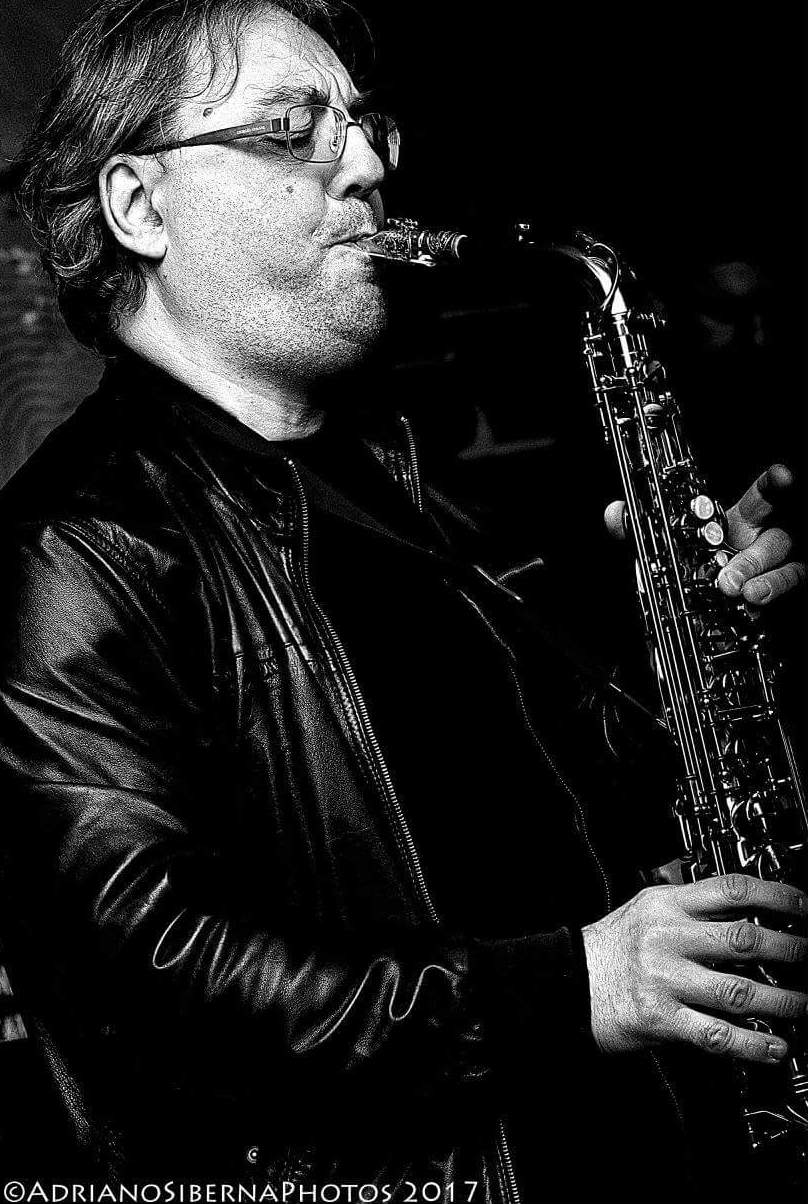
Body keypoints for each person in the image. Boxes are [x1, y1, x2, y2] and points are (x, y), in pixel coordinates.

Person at [0, 1, 805, 1199]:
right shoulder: (70, 546)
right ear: (139, 205)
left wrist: (687, 640)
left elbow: (521, 831)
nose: (367, 166)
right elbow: (150, 982)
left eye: (364, 125)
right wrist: (574, 984)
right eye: (292, 130)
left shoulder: (396, 483)